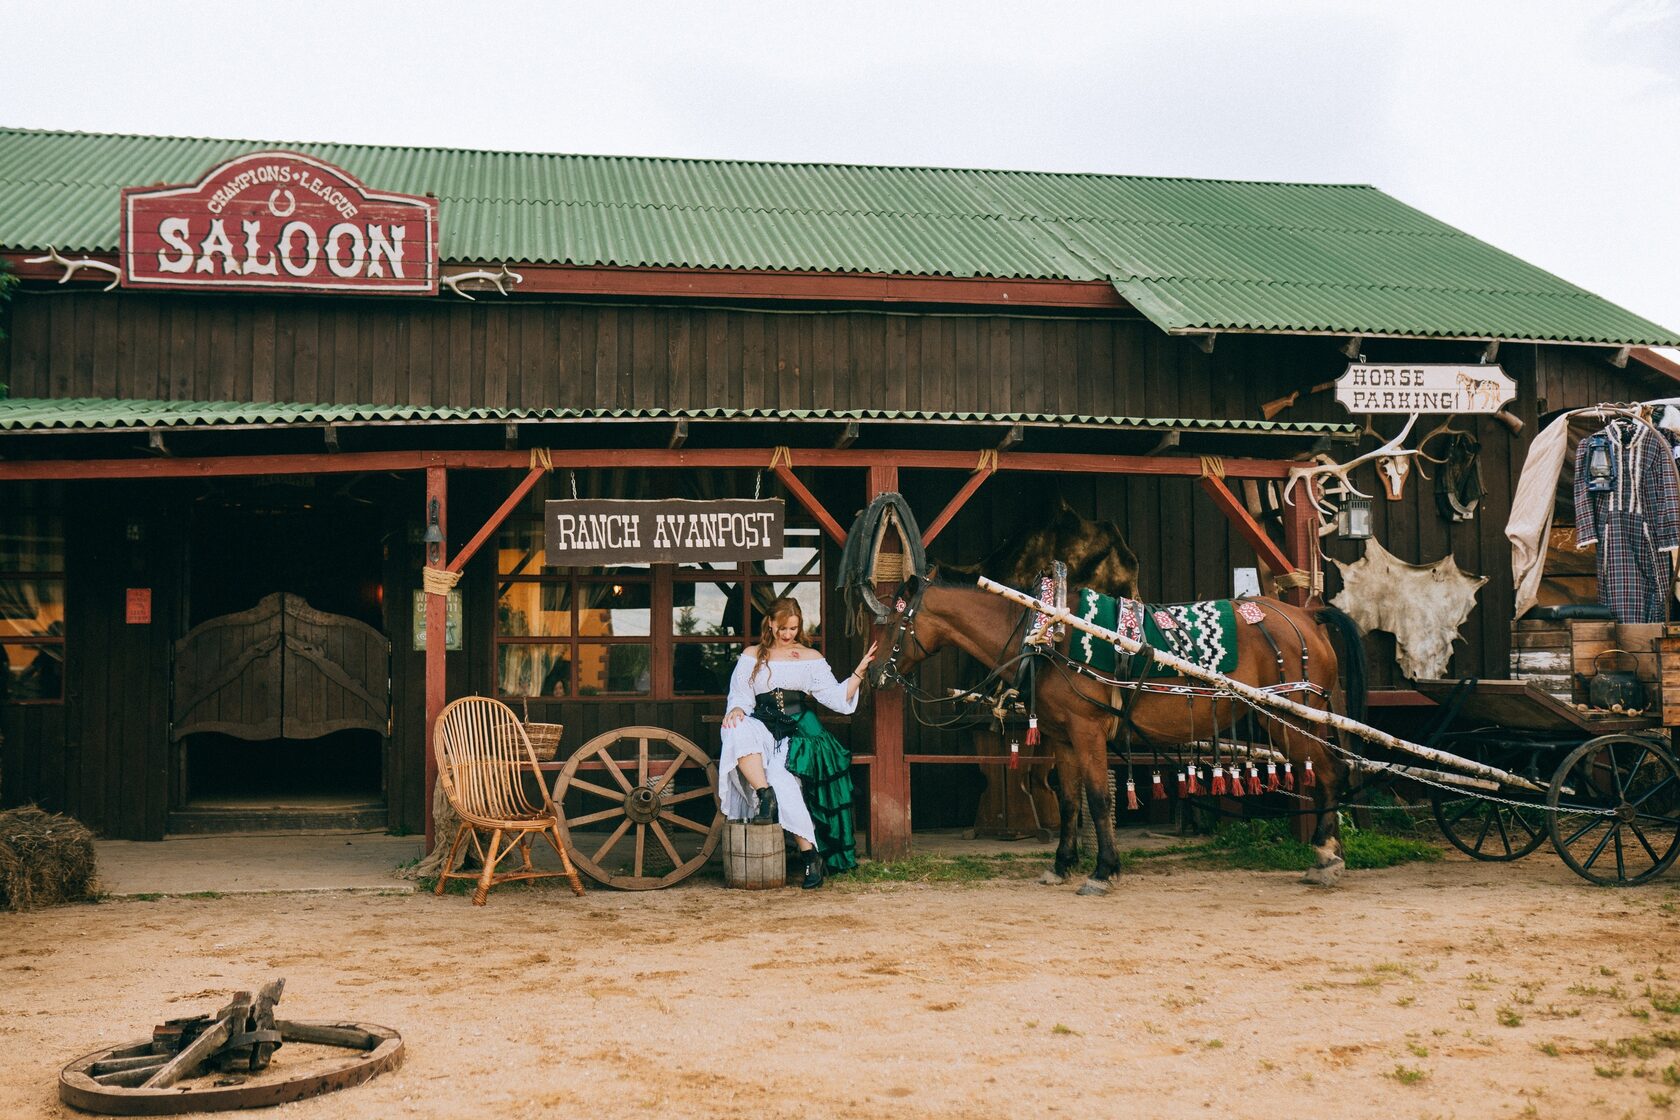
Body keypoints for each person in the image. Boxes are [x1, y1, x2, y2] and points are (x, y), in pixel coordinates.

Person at [720, 597, 875, 889]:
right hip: (761, 727)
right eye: (782, 628)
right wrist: (737, 709)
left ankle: (810, 856)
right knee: (734, 727)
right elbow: (740, 696)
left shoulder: (810, 657)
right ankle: (764, 794)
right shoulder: (753, 655)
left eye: (793, 628)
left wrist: (859, 672)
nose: (788, 634)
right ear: (770, 623)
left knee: (783, 780)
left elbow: (835, 698)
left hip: (795, 733)